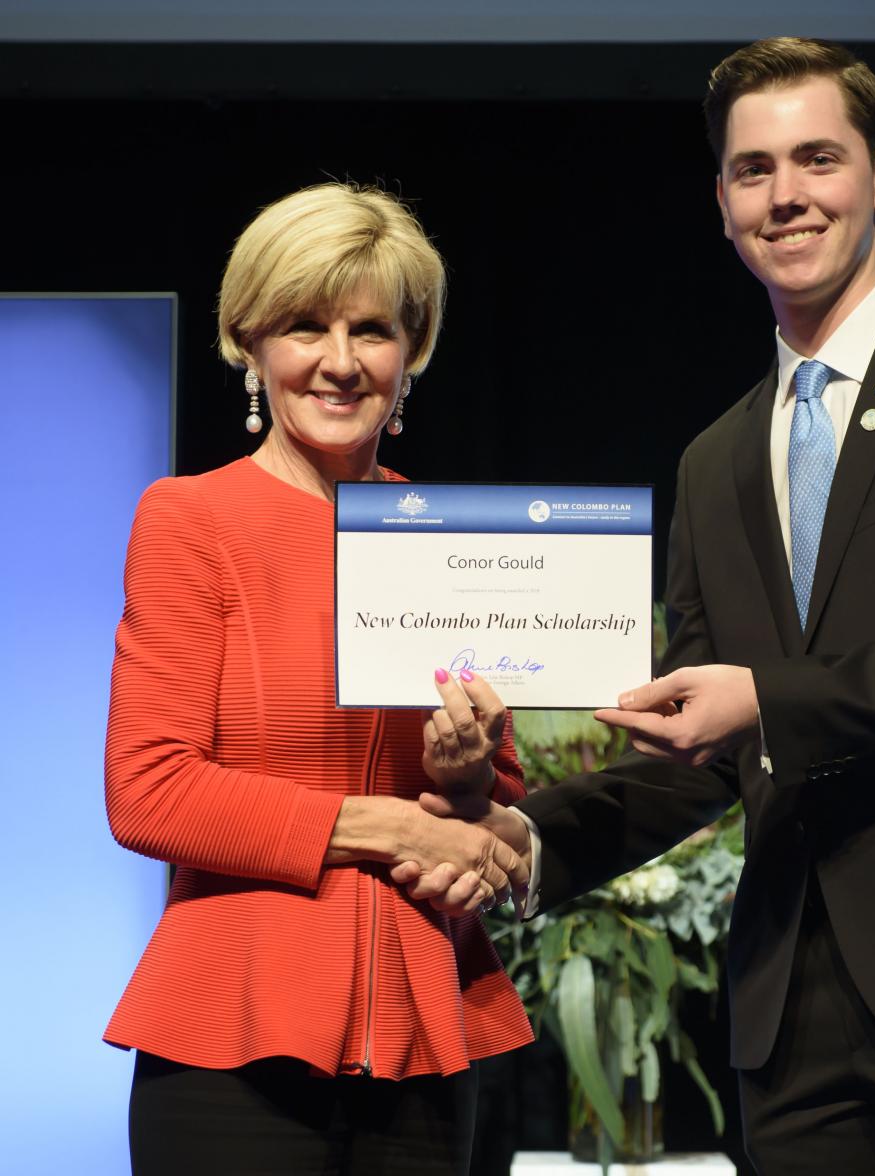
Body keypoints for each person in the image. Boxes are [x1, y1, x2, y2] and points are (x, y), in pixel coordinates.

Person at [410, 38, 875, 1175]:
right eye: (754, 170)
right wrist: (526, 837)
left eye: (818, 159)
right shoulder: (714, 458)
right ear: (721, 202)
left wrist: (768, 697)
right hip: (794, 1025)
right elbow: (703, 749)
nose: (787, 195)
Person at [104, 182, 531, 1176]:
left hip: (423, 1018)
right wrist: (387, 825)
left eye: (372, 330)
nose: (340, 362)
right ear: (250, 340)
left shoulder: (452, 533)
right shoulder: (188, 520)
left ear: (411, 351)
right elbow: (148, 788)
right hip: (230, 1029)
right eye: (305, 325)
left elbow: (493, 803)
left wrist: (465, 784)